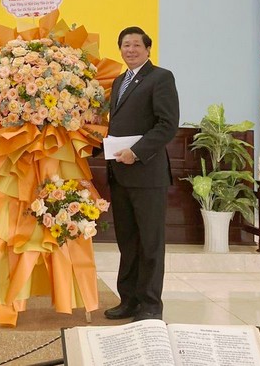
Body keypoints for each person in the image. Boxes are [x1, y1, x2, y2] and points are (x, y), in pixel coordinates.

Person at [104, 26, 179, 322]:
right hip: (120, 175)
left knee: (150, 243)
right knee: (128, 243)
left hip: (147, 175)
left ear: (148, 49)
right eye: (126, 45)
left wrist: (136, 152)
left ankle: (150, 305)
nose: (131, 50)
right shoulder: (119, 81)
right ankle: (129, 300)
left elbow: (167, 124)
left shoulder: (161, 78)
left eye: (137, 45)